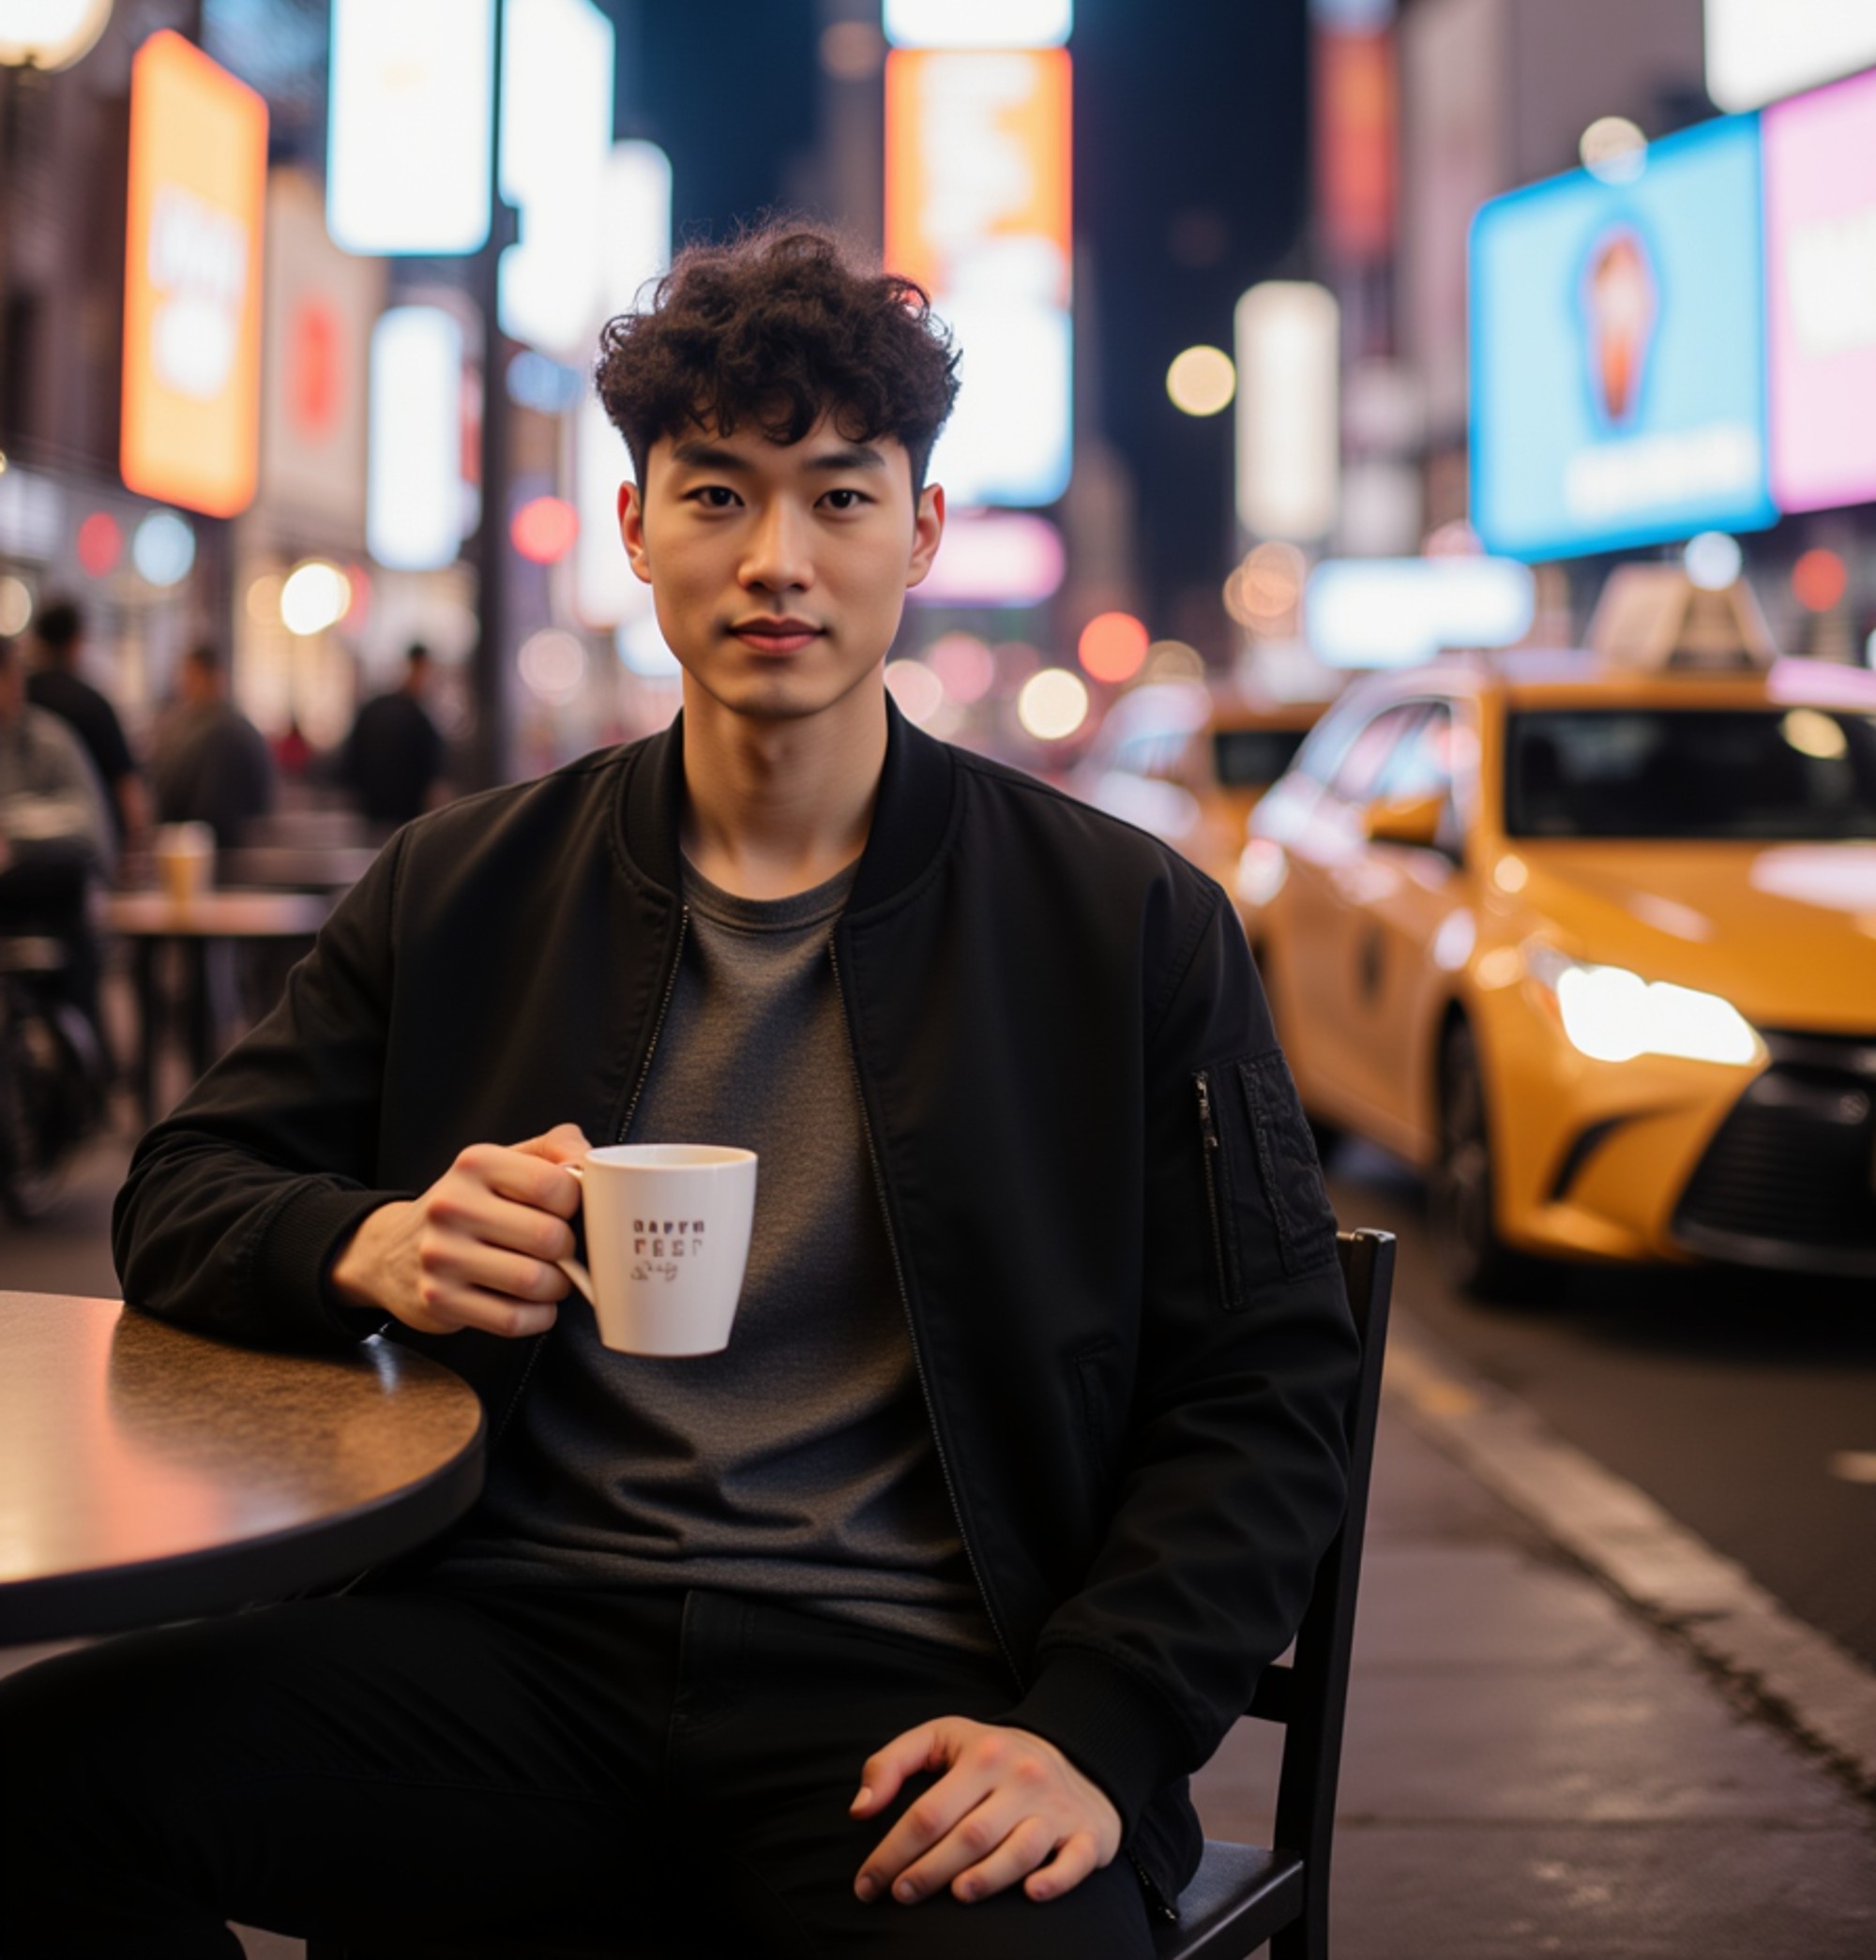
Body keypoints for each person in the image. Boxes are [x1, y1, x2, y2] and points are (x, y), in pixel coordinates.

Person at [0, 226, 1359, 1957]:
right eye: (717, 495)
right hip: (504, 1648)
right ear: (635, 528)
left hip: (916, 1695)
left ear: (924, 531)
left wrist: (1095, 1726)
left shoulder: (1124, 920)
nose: (777, 560)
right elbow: (178, 1193)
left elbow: (1267, 1376)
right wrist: (376, 1246)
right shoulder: (466, 883)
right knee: (31, 1792)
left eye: (841, 498)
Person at [0, 629, 112, 1032]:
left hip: (37, 888)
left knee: (69, 872)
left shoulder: (50, 739)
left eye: (11, 676)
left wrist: (12, 834)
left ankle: (86, 1054)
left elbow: (88, 825)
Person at [25, 596, 148, 869]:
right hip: (85, 859)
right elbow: (127, 787)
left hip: (20, 863)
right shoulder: (93, 704)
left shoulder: (22, 701)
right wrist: (135, 851)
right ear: (77, 641)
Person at [147, 641, 276, 851]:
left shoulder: (223, 733)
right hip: (215, 850)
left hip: (224, 858)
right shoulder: (205, 725)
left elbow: (211, 816)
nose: (184, 686)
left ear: (215, 678)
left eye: (191, 676)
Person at [338, 641, 447, 828]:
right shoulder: (418, 718)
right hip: (407, 823)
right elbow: (432, 778)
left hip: (370, 819)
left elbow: (350, 767)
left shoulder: (374, 709)